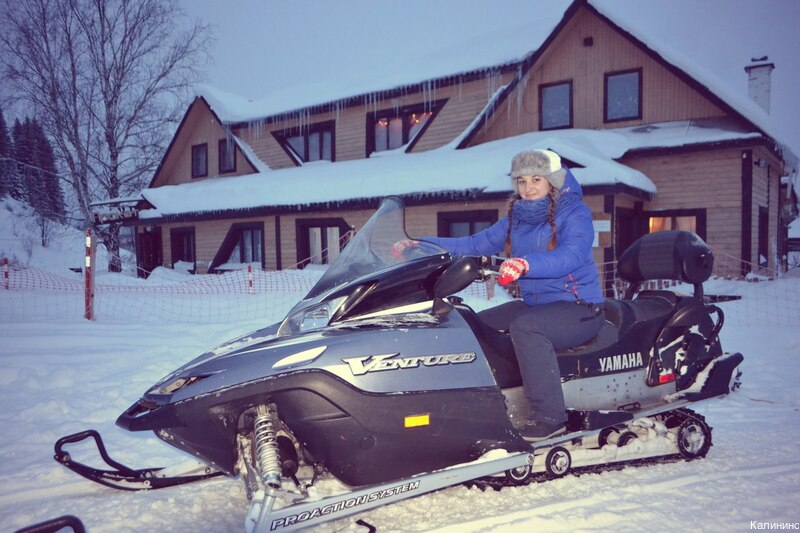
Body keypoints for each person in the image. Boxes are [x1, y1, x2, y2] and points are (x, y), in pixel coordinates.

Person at [414, 149, 604, 441]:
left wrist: (527, 264)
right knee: (471, 323)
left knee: (527, 326)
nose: (528, 188)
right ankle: (486, 401)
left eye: (536, 179)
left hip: (579, 308)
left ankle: (550, 417)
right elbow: (475, 244)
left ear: (552, 181)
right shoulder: (517, 217)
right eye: (522, 181)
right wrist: (421, 245)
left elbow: (571, 255)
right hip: (535, 304)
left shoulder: (574, 213)